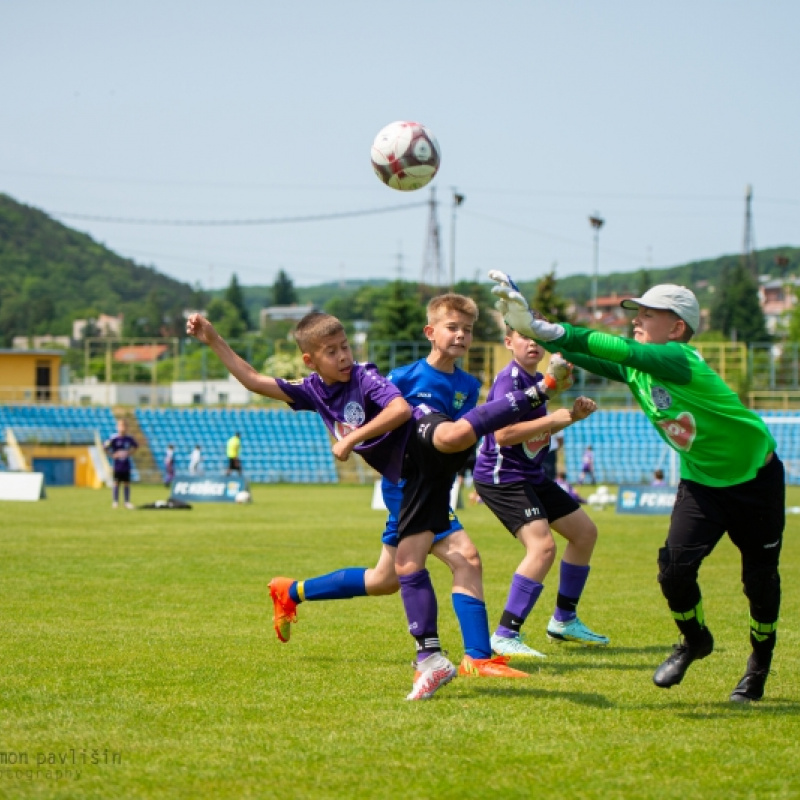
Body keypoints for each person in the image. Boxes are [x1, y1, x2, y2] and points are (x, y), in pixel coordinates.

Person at [187, 307, 561, 700]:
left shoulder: (365, 377)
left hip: (414, 475)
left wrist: (350, 439)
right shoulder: (313, 389)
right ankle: (472, 658)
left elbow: (399, 410)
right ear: (311, 360)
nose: (343, 356)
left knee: (386, 580)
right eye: (331, 352)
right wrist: (213, 338)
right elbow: (253, 380)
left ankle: (291, 591)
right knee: (463, 559)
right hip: (405, 483)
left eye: (345, 346)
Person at [491, 271, 784, 702]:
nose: (635, 320)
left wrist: (549, 329)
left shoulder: (678, 359)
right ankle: (694, 640)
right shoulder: (640, 371)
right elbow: (588, 353)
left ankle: (758, 667)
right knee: (674, 572)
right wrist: (538, 329)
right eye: (637, 313)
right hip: (702, 484)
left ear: (677, 328)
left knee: (759, 583)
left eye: (648, 313)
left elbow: (619, 348)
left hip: (756, 483)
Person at [474, 328, 608, 658]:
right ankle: (505, 634)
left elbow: (532, 432)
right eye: (524, 337)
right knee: (543, 547)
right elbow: (504, 434)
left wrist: (571, 417)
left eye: (538, 338)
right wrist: (556, 418)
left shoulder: (533, 382)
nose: (533, 344)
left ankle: (564, 619)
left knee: (585, 534)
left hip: (530, 475)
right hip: (502, 477)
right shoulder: (510, 380)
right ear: (508, 343)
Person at [104, 418, 138, 509]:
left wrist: (129, 453)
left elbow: (136, 446)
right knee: (116, 483)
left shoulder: (129, 438)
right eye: (120, 426)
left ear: (127, 427)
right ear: (117, 427)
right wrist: (112, 455)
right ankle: (115, 501)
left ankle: (126, 502)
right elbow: (105, 447)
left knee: (126, 483)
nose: (122, 428)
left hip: (126, 465)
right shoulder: (114, 438)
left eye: (124, 426)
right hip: (117, 465)